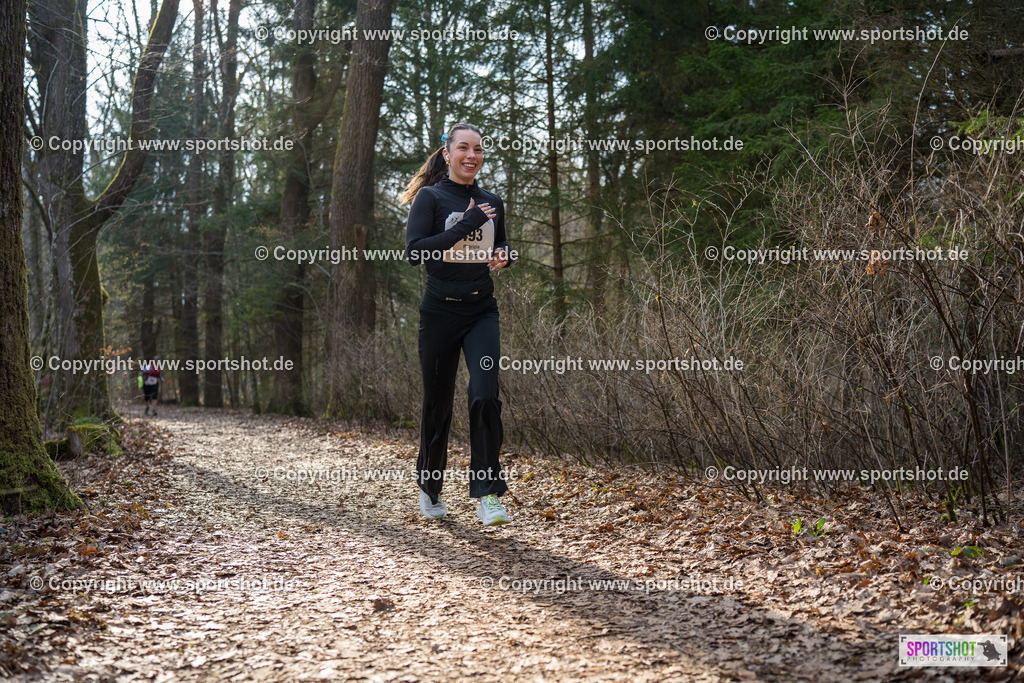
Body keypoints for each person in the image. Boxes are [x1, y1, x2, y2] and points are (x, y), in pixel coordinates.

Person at [403, 122, 514, 526]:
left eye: (479, 149)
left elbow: (499, 242)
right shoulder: (430, 199)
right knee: (438, 404)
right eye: (463, 148)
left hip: (481, 310)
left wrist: (505, 254)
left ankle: (488, 494)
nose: (472, 156)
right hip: (439, 315)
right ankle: (430, 486)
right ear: (447, 154)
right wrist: (464, 225)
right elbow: (415, 253)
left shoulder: (492, 201)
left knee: (484, 395)